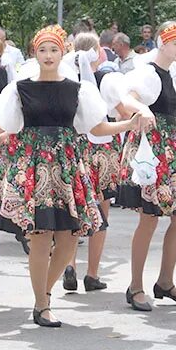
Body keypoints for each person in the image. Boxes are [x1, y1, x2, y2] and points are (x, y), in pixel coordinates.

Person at [0, 25, 138, 326]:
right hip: (33, 167)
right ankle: (41, 304)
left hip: (66, 166)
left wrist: (128, 125)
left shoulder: (78, 90)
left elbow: (97, 128)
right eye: (43, 50)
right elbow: (1, 126)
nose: (48, 55)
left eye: (54, 49)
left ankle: (44, 291)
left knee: (70, 237)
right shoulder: (21, 89)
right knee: (39, 237)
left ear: (63, 53)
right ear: (35, 53)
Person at [116, 22, 176, 312]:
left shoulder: (169, 72)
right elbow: (127, 96)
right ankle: (135, 286)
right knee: (150, 216)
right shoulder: (147, 70)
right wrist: (141, 109)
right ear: (162, 43)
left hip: (171, 145)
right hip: (152, 147)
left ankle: (165, 282)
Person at [63, 33, 126, 292]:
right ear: (99, 53)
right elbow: (122, 112)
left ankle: (70, 265)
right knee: (101, 210)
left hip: (75, 147)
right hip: (103, 149)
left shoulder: (65, 81)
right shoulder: (107, 80)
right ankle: (92, 273)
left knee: (74, 209)